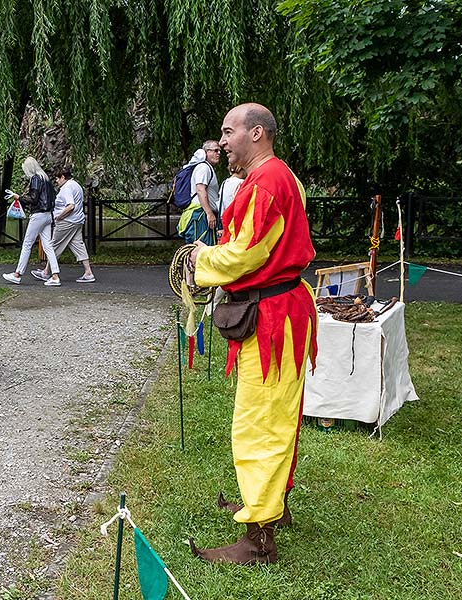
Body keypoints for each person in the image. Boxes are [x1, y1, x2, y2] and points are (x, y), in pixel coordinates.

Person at [187, 103, 317, 565]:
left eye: (228, 132)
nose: (222, 141)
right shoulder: (281, 177)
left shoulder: (267, 183)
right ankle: (270, 504)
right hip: (281, 310)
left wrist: (198, 261)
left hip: (273, 316)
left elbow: (244, 255)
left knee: (258, 424)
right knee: (275, 415)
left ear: (256, 133)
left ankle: (259, 537)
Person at [2, 157, 61, 286]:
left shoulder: (35, 178)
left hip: (38, 214)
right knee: (48, 246)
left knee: (27, 244)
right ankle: (55, 275)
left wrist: (19, 197)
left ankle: (18, 274)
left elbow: (33, 199)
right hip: (48, 214)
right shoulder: (45, 179)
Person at [30, 167, 95, 283]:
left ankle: (46, 273)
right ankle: (88, 272)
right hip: (77, 221)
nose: (56, 181)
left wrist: (59, 217)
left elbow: (71, 206)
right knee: (78, 245)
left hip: (67, 222)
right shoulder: (76, 185)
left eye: (57, 178)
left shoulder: (67, 188)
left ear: (63, 177)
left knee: (53, 246)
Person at [177, 140, 221, 245]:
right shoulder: (203, 168)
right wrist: (209, 213)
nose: (219, 153)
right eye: (215, 150)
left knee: (201, 252)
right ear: (206, 152)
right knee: (201, 251)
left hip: (200, 213)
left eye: (219, 151)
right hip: (200, 215)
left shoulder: (206, 168)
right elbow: (200, 190)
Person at [216, 165, 246, 238]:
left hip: (225, 221)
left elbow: (220, 204)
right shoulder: (242, 183)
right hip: (236, 222)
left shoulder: (225, 183)